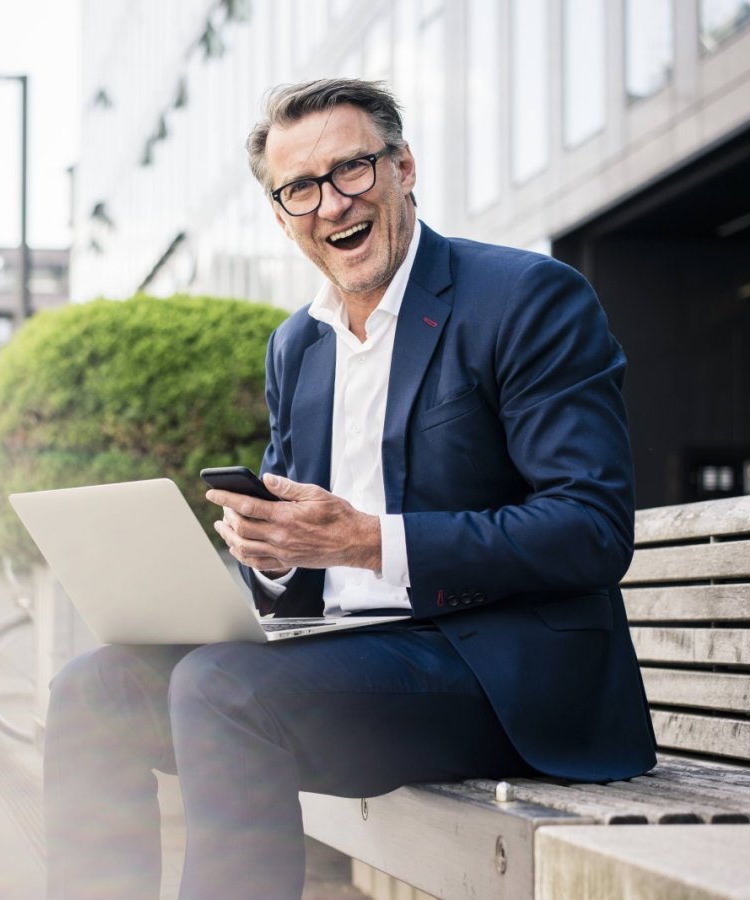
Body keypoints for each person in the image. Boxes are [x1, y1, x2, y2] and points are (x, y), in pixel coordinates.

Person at [42, 78, 657, 900]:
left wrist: (369, 540)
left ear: (403, 167)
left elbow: (589, 529)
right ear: (280, 212)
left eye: (352, 171)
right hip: (341, 661)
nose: (331, 204)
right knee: (94, 688)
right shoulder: (298, 346)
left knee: (220, 690)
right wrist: (265, 559)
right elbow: (303, 552)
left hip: (505, 681)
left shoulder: (525, 299)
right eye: (300, 188)